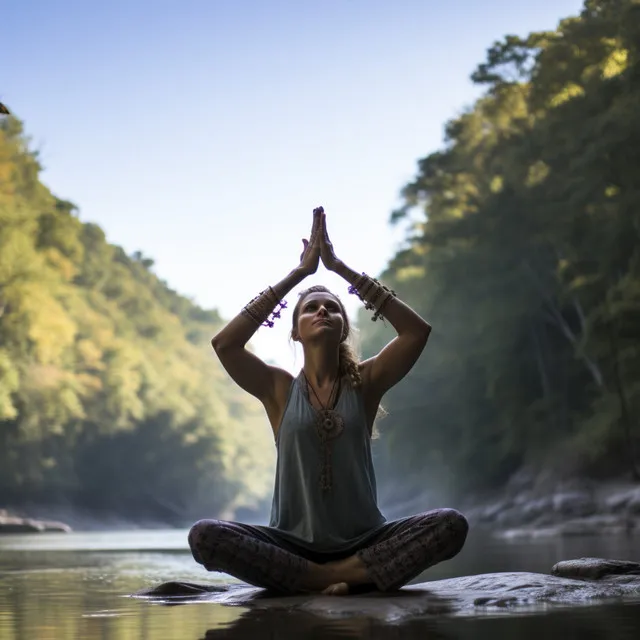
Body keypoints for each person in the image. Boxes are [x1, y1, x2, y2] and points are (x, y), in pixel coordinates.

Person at [188, 207, 468, 595]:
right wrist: (299, 275)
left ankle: (318, 580)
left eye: (332, 307)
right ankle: (343, 579)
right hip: (290, 544)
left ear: (342, 329)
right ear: (296, 333)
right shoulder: (278, 389)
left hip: (366, 541)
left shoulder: (366, 382)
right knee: (205, 536)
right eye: (311, 308)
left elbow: (416, 332)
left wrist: (340, 269)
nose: (322, 309)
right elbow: (225, 344)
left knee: (450, 525)